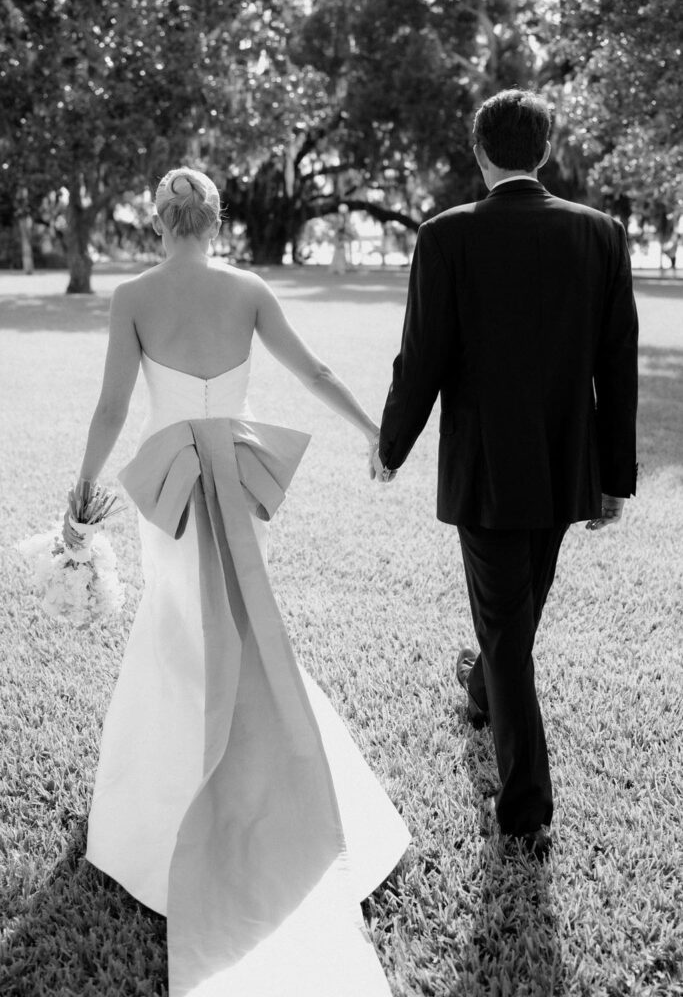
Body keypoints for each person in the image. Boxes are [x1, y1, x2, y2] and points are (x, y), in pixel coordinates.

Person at [64, 167, 410, 996]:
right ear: (218, 219)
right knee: (247, 629)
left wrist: (80, 491)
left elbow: (114, 407)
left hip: (170, 488)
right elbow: (315, 371)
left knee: (178, 631)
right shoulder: (248, 287)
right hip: (232, 475)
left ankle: (162, 823)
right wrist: (376, 434)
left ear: (158, 222)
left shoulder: (133, 296)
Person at [371, 90, 638, 861]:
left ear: (480, 153)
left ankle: (524, 811)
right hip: (563, 469)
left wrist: (390, 447)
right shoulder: (598, 233)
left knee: (508, 633)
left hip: (488, 470)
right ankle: (483, 689)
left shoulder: (445, 236)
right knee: (513, 624)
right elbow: (616, 363)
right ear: (543, 151)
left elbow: (420, 356)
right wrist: (613, 476)